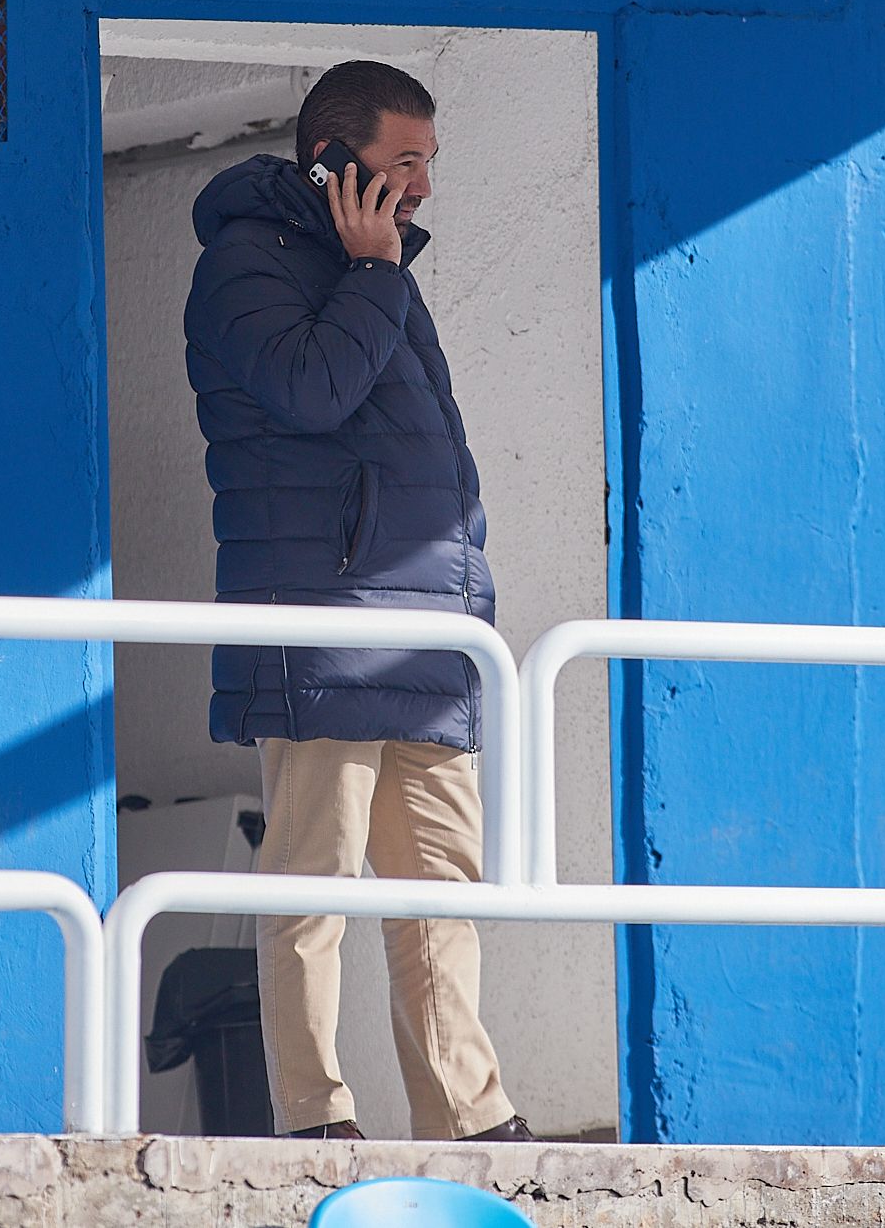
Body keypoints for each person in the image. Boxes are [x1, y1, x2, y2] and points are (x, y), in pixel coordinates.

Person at [181, 60, 531, 1142]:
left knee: (440, 894)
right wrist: (373, 271)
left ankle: (469, 1118)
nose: (422, 187)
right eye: (404, 162)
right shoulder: (244, 262)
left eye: (429, 164)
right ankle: (311, 1117)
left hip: (427, 634)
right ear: (333, 160)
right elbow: (310, 389)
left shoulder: (380, 269)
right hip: (321, 626)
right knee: (311, 885)